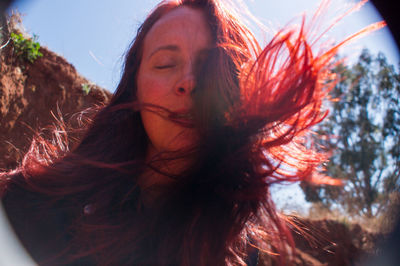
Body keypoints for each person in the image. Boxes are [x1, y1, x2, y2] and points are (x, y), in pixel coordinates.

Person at [0, 0, 382, 265]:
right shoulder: (29, 204)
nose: (188, 82)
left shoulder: (237, 250)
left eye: (209, 67)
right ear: (133, 87)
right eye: (165, 64)